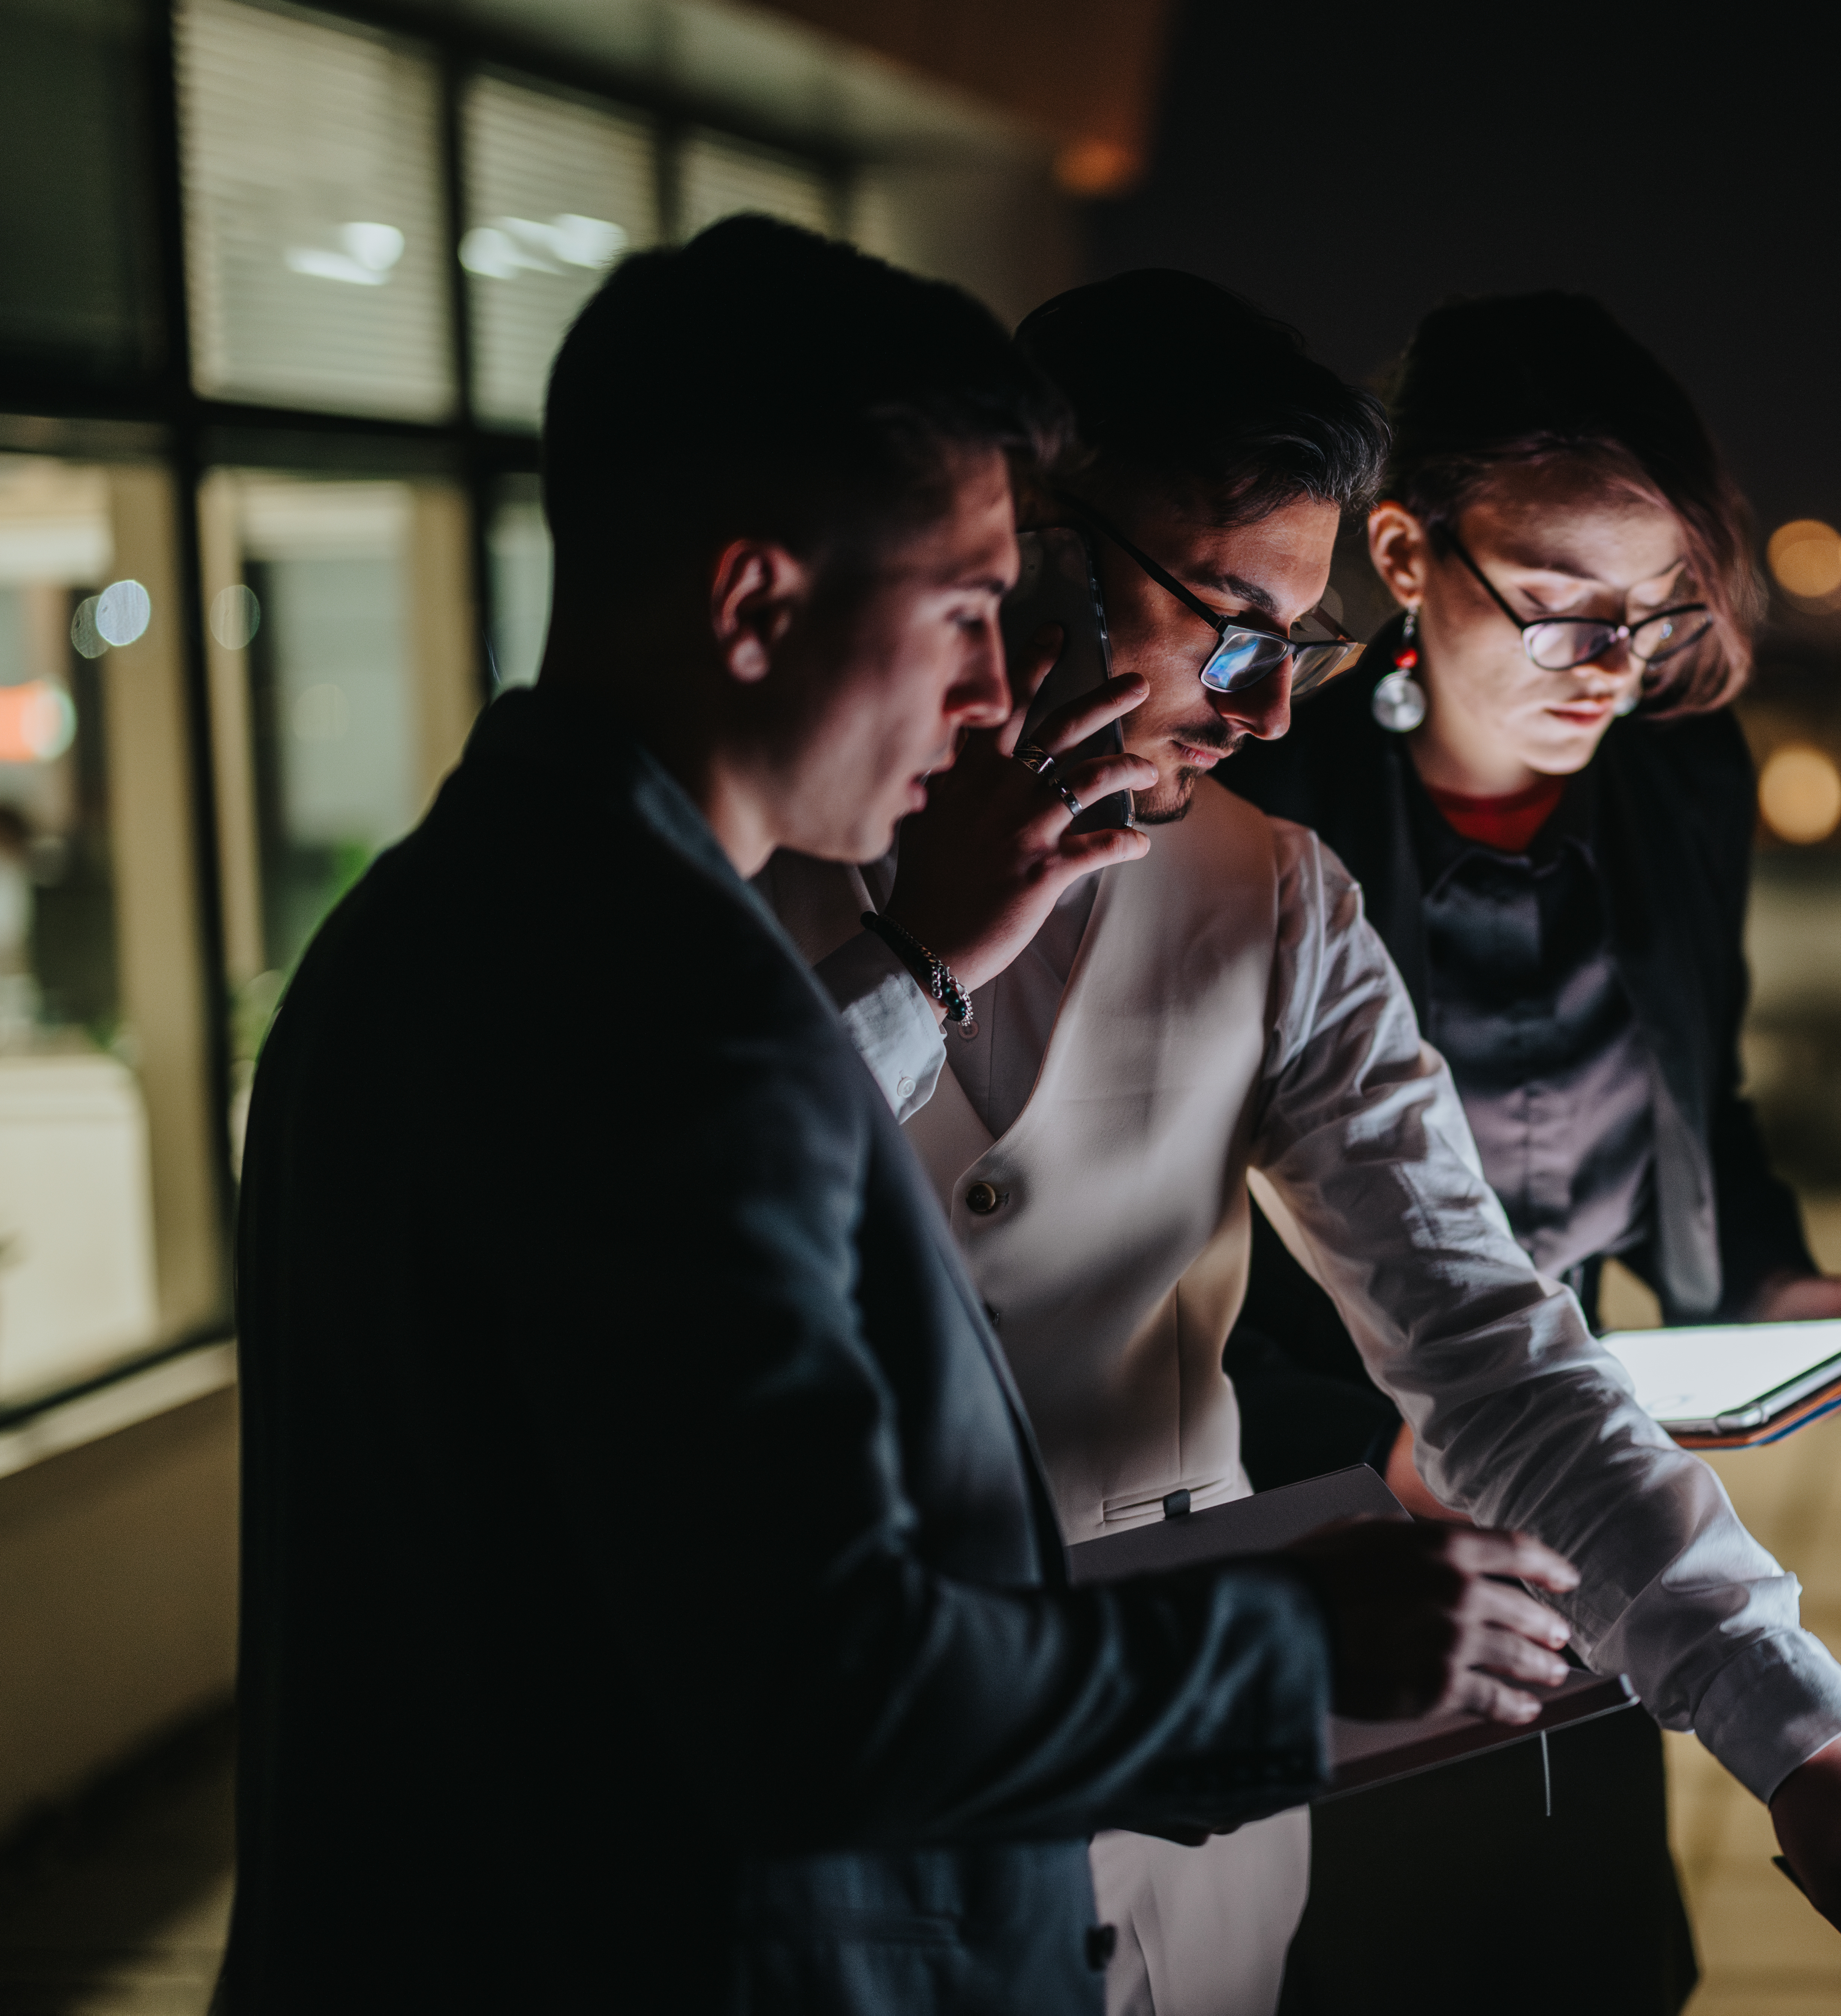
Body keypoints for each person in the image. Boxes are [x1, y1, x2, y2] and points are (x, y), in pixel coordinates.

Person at [222, 219, 1580, 2016]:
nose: (991, 685)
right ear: (758, 600)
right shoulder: (669, 1010)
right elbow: (815, 1685)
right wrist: (1293, 1641)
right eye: (963, 607)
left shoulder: (442, 925)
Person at [759, 268, 1841, 2016]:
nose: (1264, 711)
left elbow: (1494, 1342)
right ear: (1041, 548)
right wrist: (919, 970)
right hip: (817, 1849)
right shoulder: (749, 859)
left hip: (1186, 1866)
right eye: (1233, 628)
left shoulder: (1275, 895)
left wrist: (1806, 1732)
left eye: (1288, 651)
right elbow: (651, 1249)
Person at [1211, 288, 1841, 2012]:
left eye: (1657, 614)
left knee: (1594, 1943)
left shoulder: (1677, 777)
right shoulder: (1261, 811)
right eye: (1559, 610)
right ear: (1401, 554)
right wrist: (1361, 1459)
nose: (1615, 668)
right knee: (1365, 1944)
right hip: (1325, 1493)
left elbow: (1705, 1096)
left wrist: (1771, 1276)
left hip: (1578, 1463)